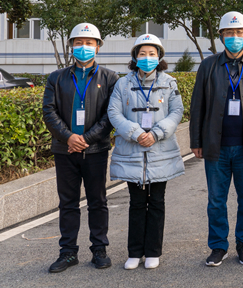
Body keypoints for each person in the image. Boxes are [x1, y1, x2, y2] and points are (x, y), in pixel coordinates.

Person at [190, 12, 243, 267]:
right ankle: (218, 246)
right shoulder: (209, 66)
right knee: (216, 201)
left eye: (239, 32)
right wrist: (196, 141)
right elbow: (197, 106)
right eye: (229, 33)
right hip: (216, 147)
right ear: (221, 36)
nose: (234, 37)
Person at [42, 23, 119, 273]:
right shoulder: (56, 77)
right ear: (71, 46)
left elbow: (111, 115)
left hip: (95, 150)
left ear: (98, 46)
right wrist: (68, 137)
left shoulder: (110, 78)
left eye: (89, 43)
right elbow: (49, 111)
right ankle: (67, 253)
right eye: (78, 42)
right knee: (68, 203)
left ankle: (99, 249)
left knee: (98, 201)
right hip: (65, 150)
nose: (83, 47)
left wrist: (86, 139)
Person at [107, 34, 185, 270]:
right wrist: (135, 133)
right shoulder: (123, 83)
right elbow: (114, 112)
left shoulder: (169, 83)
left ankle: (153, 251)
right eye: (142, 54)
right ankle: (134, 252)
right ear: (135, 57)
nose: (147, 58)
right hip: (132, 151)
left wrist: (156, 133)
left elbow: (176, 112)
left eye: (152, 54)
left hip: (160, 151)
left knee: (157, 202)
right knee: (137, 203)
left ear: (159, 57)